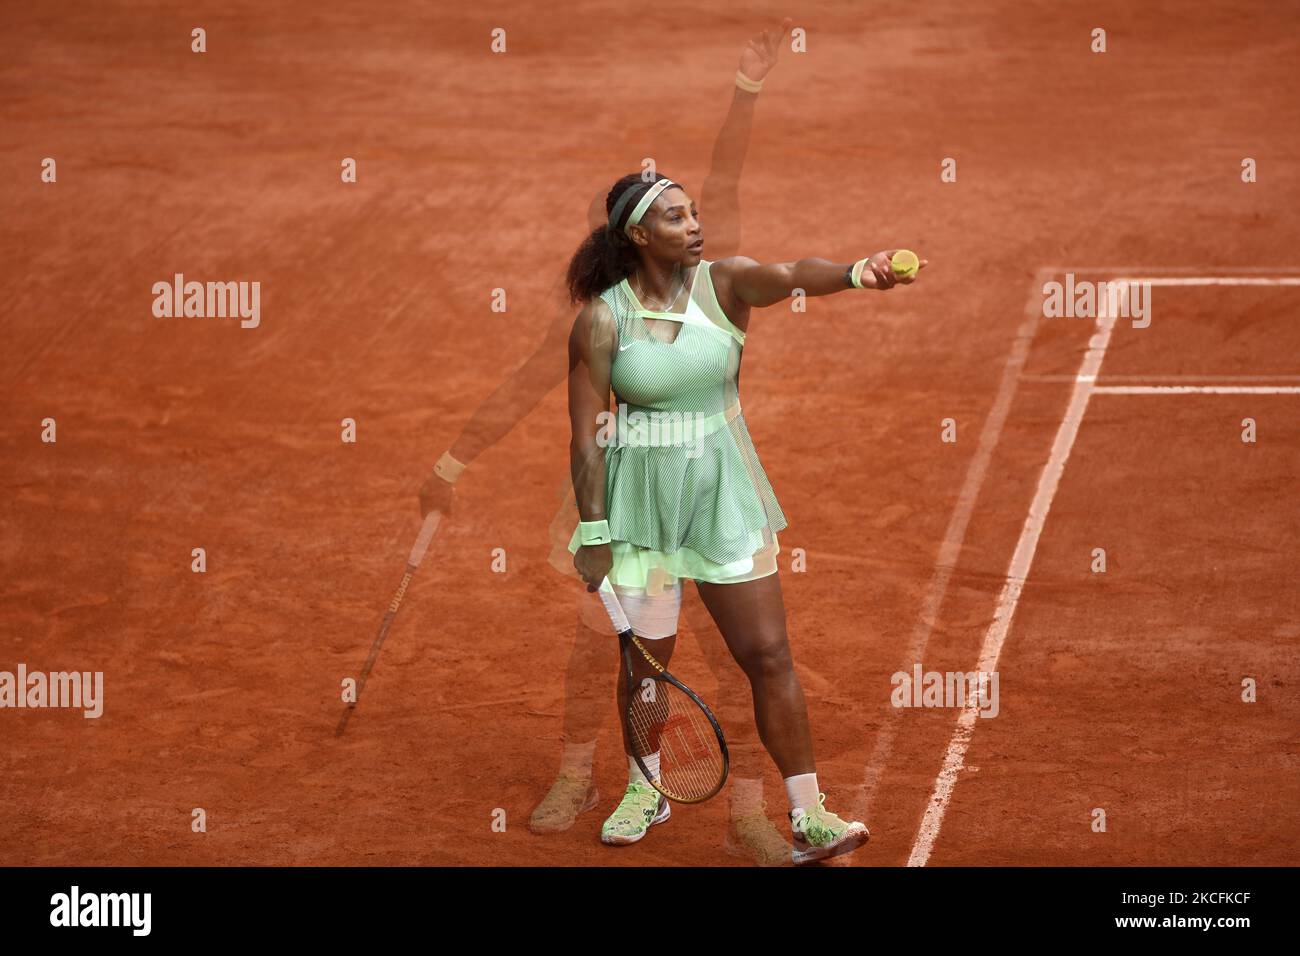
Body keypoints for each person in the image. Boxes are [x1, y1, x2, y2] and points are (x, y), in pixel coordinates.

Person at [564, 173, 925, 863]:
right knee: (645, 666)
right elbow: (586, 435)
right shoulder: (601, 320)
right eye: (674, 218)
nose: (694, 225)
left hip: (721, 493)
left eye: (694, 212)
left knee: (767, 654)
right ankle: (647, 788)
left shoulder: (725, 285)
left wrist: (856, 273)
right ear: (638, 235)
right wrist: (594, 534)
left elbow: (791, 273)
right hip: (640, 503)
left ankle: (809, 812)